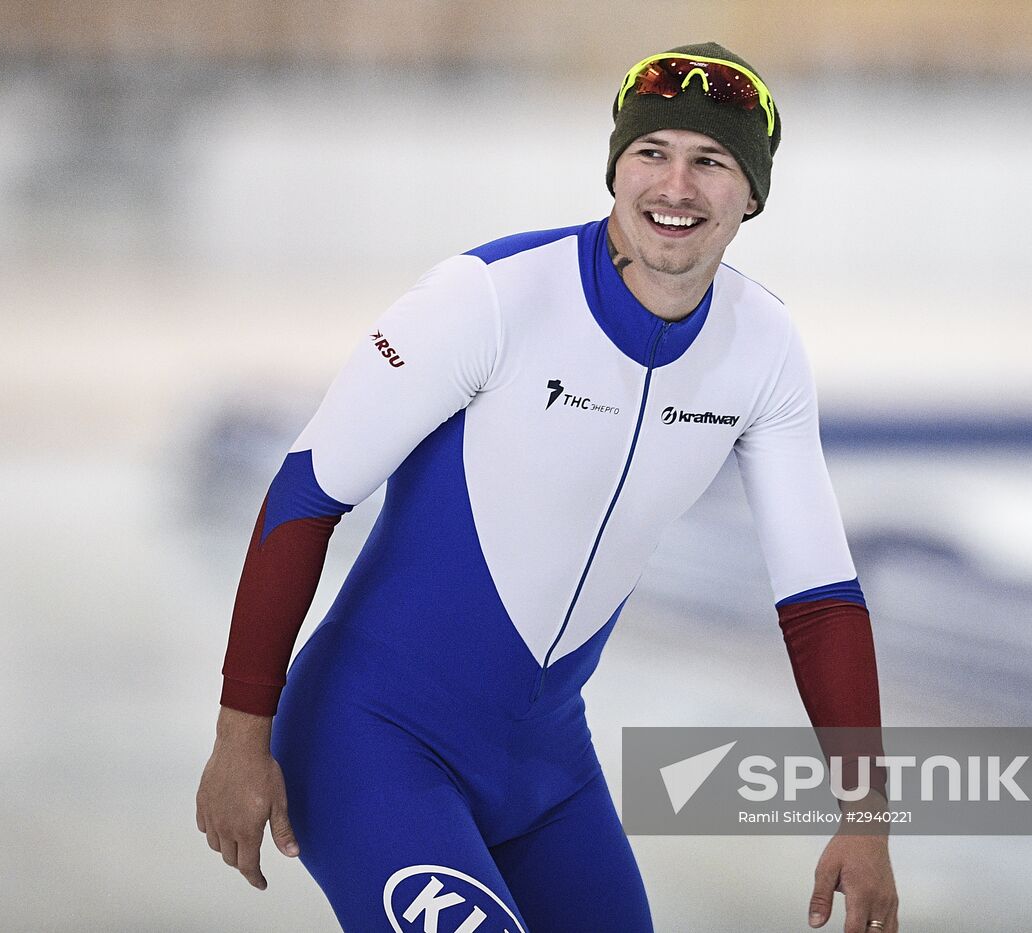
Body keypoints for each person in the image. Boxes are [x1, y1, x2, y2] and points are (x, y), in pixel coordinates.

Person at [196, 41, 899, 933]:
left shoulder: (763, 350)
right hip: (369, 742)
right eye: (652, 153)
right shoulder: (490, 298)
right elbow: (305, 499)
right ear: (616, 169)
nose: (675, 186)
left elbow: (821, 597)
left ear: (751, 193)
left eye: (710, 161)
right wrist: (238, 738)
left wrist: (865, 818)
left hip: (546, 774)